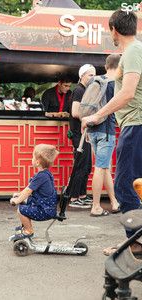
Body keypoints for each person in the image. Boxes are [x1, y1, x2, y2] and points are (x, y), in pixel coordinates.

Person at [82, 10, 142, 256]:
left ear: (113, 30)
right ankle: (137, 241)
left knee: (124, 184)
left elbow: (127, 93)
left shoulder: (133, 51)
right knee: (136, 185)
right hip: (134, 124)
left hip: (136, 124)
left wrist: (98, 115)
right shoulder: (132, 52)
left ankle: (135, 243)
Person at [88, 54, 121, 217]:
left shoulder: (96, 80)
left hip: (92, 129)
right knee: (100, 168)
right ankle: (95, 206)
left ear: (106, 65)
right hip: (106, 131)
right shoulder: (114, 84)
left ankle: (114, 202)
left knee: (105, 166)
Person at [10, 144, 59, 238]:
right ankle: (26, 228)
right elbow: (28, 187)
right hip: (45, 206)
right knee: (24, 203)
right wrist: (20, 195)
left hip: (45, 210)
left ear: (37, 162)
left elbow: (28, 191)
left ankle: (28, 231)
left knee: (21, 210)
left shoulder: (41, 176)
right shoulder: (45, 174)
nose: (31, 159)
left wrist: (17, 200)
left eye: (33, 157)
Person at [66, 64, 96, 208]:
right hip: (79, 134)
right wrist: (92, 116)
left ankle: (82, 195)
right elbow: (75, 112)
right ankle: (73, 197)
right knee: (80, 164)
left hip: (86, 133)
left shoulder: (86, 90)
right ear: (82, 76)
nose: (93, 78)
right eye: (90, 75)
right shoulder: (78, 90)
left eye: (94, 75)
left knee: (87, 165)